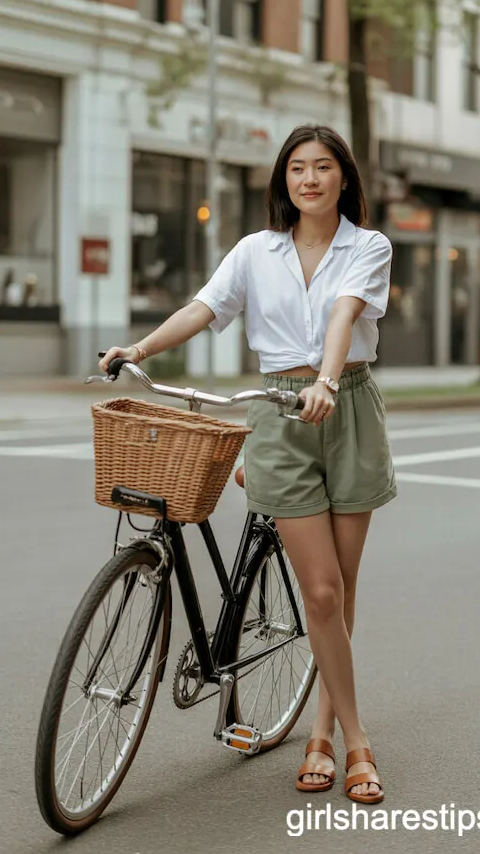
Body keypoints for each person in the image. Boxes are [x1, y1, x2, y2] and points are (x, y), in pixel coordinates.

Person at [100, 124, 396, 804]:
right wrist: (137, 351)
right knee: (320, 592)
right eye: (298, 169)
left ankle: (323, 731)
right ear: (283, 180)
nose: (310, 179)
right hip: (277, 410)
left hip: (345, 406)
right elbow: (204, 308)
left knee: (340, 590)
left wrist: (326, 379)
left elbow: (346, 314)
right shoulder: (254, 251)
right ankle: (358, 740)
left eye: (323, 167)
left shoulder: (367, 246)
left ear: (344, 178)